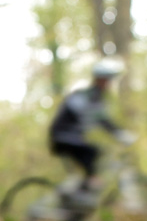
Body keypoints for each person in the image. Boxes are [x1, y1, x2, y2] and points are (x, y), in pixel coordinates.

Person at [48, 59, 134, 204]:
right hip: (63, 136)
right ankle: (80, 191)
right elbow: (98, 117)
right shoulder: (86, 95)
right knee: (92, 152)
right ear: (99, 79)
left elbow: (102, 120)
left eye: (109, 80)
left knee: (96, 154)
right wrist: (119, 133)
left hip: (71, 137)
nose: (108, 84)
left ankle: (80, 192)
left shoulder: (96, 97)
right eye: (107, 80)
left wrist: (119, 133)